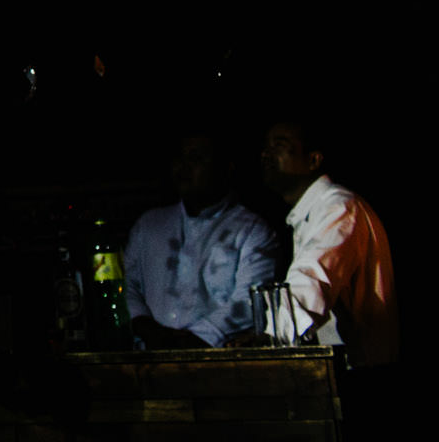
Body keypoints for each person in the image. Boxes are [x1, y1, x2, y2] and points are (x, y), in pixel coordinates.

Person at [122, 128, 284, 350]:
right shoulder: (149, 225)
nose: (184, 166)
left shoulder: (252, 230)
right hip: (148, 359)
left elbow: (249, 302)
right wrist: (145, 327)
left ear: (225, 168)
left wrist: (190, 341)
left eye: (196, 158)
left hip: (216, 363)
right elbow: (126, 284)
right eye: (180, 157)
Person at [258, 117, 398, 364]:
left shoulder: (339, 207)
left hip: (359, 374)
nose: (266, 154)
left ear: (313, 160)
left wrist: (270, 338)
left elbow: (312, 279)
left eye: (279, 145)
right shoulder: (316, 211)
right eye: (266, 146)